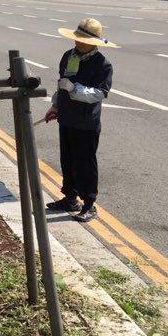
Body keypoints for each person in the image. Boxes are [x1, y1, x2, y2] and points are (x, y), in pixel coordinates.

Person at [43, 17, 117, 223]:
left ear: (93, 43)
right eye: (77, 38)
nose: (78, 42)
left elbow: (99, 93)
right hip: (67, 117)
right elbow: (61, 84)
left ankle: (89, 204)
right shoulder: (69, 56)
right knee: (67, 160)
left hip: (86, 122)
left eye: (83, 40)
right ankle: (70, 198)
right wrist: (56, 106)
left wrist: (74, 89)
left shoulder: (102, 64)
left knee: (85, 163)